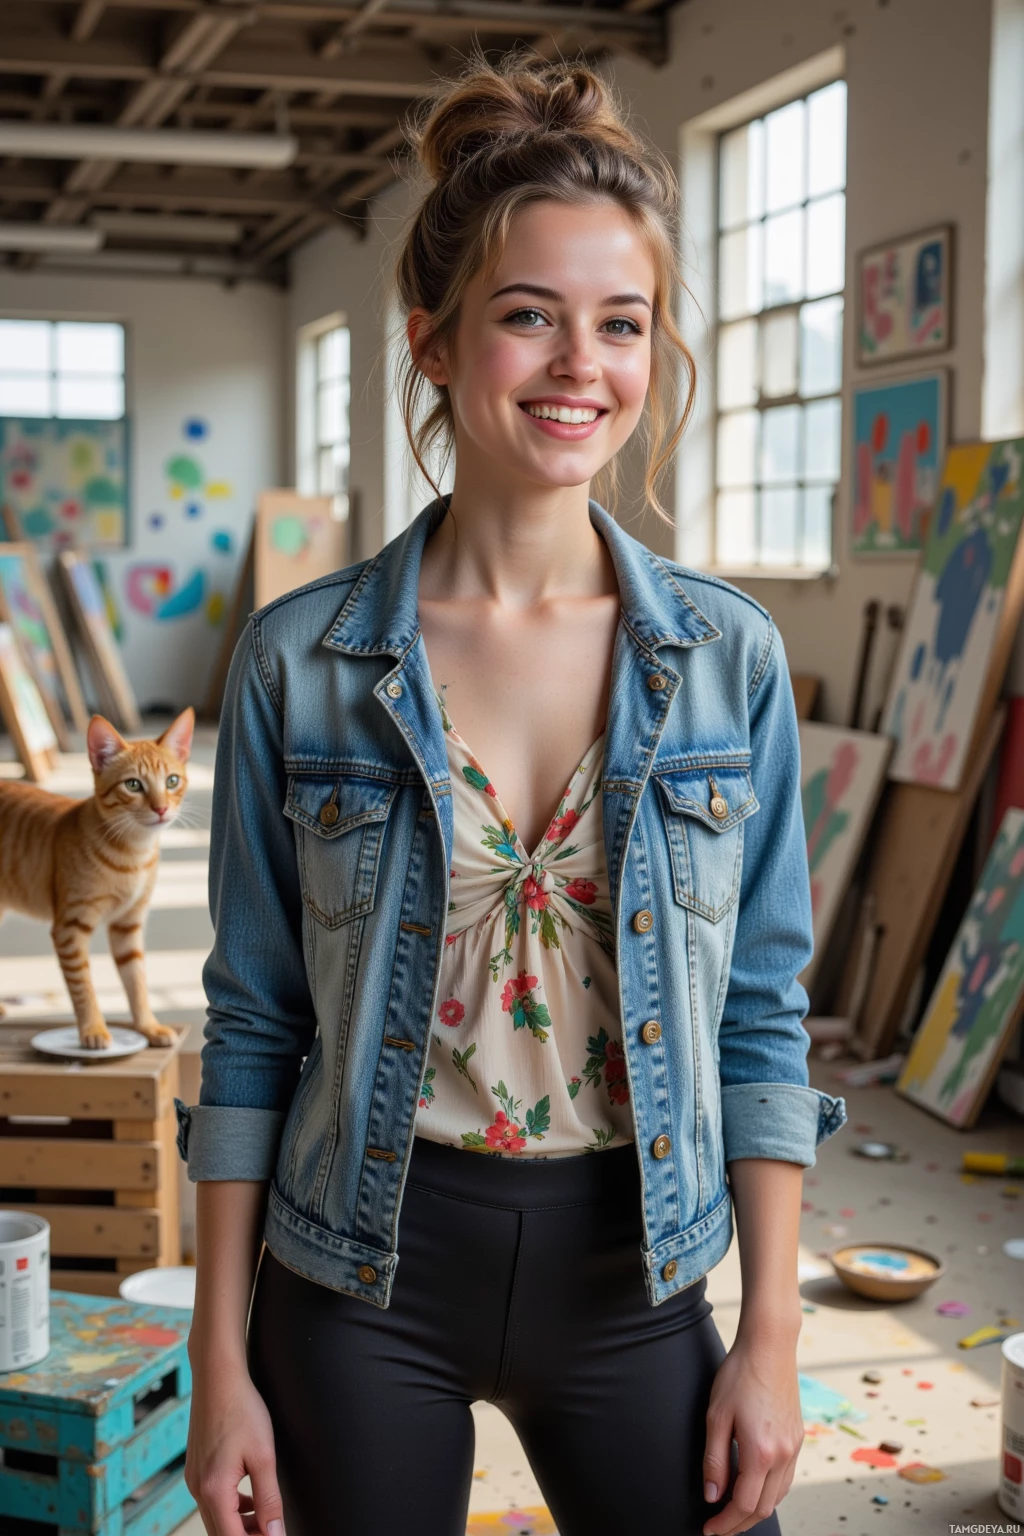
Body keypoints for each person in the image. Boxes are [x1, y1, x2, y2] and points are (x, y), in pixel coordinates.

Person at [174, 50, 848, 1536]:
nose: (578, 366)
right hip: (358, 1280)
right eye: (527, 316)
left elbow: (758, 1014)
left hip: (636, 1275)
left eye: (621, 324)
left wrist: (774, 1342)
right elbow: (251, 1029)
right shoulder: (303, 662)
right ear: (431, 339)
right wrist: (216, 1360)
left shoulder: (728, 660)